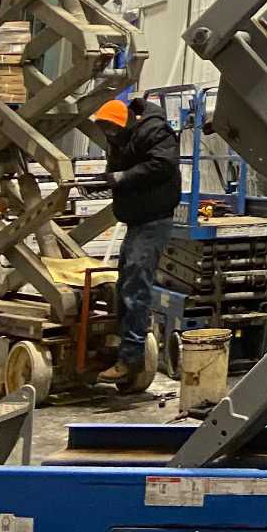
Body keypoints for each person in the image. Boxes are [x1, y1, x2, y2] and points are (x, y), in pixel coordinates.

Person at [90, 94, 181, 389]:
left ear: (125, 122)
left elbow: (163, 164)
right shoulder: (120, 137)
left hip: (154, 220)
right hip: (137, 220)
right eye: (105, 130)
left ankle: (130, 358)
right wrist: (106, 180)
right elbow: (117, 168)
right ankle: (126, 349)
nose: (109, 135)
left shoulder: (154, 130)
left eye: (111, 129)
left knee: (135, 286)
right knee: (125, 284)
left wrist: (124, 177)